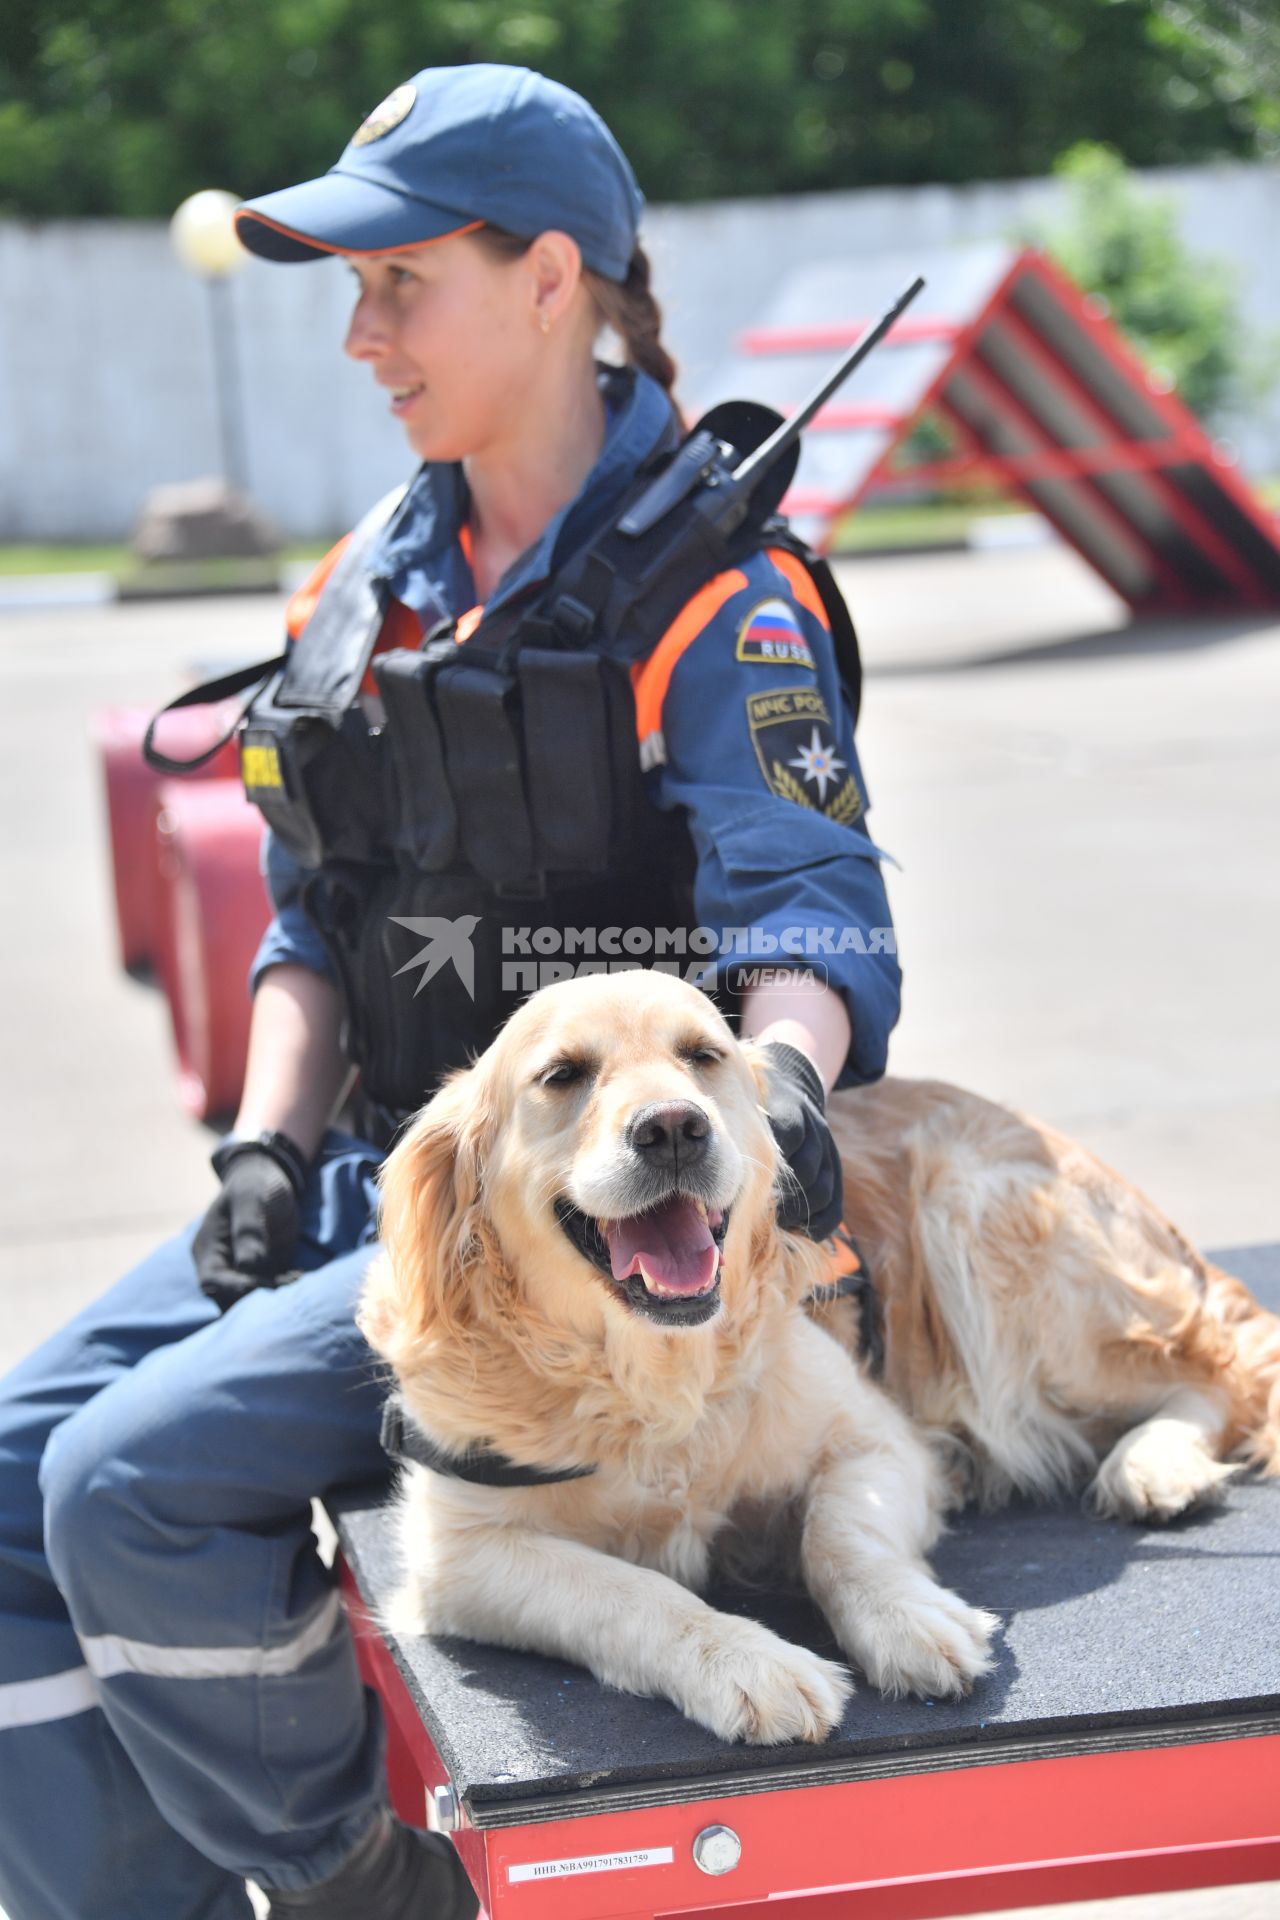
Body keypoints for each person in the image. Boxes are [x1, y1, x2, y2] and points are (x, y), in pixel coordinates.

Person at [0, 64, 900, 1920]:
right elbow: (308, 929)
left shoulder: (718, 605)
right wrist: (261, 1145)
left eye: (399, 279)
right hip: (365, 1188)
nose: (358, 334)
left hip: (577, 1249)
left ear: (552, 278)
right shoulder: (369, 584)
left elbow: (811, 916)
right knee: (9, 1479)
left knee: (124, 1491)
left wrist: (789, 1095)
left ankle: (362, 1887)